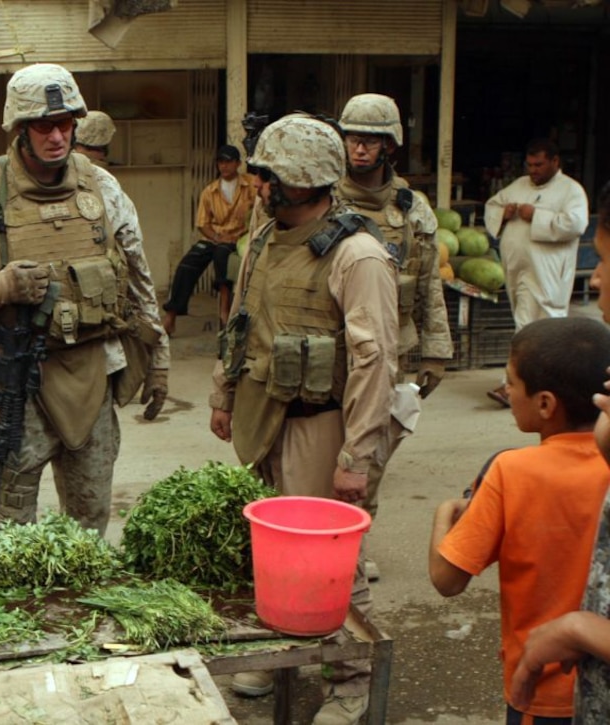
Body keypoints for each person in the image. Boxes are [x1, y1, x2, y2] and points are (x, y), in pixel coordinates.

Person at [0, 62, 169, 538]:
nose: (57, 136)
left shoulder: (101, 187)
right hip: (17, 383)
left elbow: (137, 277)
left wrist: (158, 358)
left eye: (66, 123)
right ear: (20, 130)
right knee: (10, 531)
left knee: (89, 523)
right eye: (44, 125)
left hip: (93, 373)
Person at [210, 114, 397, 724]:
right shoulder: (265, 235)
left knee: (330, 560)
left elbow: (375, 365)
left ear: (305, 182)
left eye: (270, 177)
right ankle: (281, 652)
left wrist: (357, 458)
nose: (259, 185)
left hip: (321, 422)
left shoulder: (357, 255)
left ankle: (352, 677)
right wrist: (224, 393)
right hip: (266, 413)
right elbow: (240, 321)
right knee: (269, 553)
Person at [429, 316, 610, 724]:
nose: (506, 391)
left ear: (545, 404)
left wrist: (445, 515)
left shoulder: (512, 471)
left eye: (511, 382)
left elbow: (447, 578)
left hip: (542, 687)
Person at [335, 93, 454, 581]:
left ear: (390, 147)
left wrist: (436, 351)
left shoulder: (412, 210)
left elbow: (428, 283)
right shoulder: (327, 199)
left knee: (372, 460)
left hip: (391, 352)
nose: (360, 149)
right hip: (335, 351)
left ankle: (355, 549)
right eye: (353, 138)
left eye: (372, 140)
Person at [509, 181, 610, 723]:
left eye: (607, 259)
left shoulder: (511, 469)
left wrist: (578, 629)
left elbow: (448, 575)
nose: (594, 276)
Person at [483, 138, 589, 407]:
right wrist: (504, 213)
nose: (534, 170)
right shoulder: (518, 185)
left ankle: (519, 385)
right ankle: (530, 384)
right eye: (530, 165)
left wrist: (537, 215)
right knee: (526, 325)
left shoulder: (571, 191)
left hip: (548, 273)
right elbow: (492, 206)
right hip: (519, 271)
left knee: (540, 327)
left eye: (539, 164)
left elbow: (575, 223)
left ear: (555, 162)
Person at [162, 144, 255, 334]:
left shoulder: (251, 184)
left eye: (228, 162)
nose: (224, 166)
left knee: (222, 257)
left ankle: (224, 311)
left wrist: (238, 235)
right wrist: (218, 237)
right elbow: (203, 224)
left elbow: (259, 214)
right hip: (217, 238)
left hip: (242, 237)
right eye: (221, 162)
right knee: (188, 264)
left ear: (237, 163)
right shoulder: (210, 191)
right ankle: (170, 316)